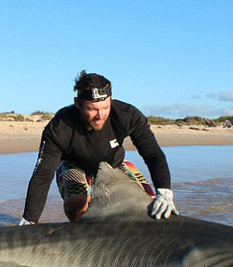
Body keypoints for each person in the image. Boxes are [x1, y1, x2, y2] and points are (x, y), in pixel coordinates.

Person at [20, 70, 178, 224]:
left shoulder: (127, 115)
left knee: (149, 203)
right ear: (78, 104)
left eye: (105, 107)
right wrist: (29, 219)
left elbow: (153, 154)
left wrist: (164, 191)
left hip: (113, 165)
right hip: (74, 166)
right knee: (77, 204)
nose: (100, 115)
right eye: (93, 109)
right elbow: (42, 175)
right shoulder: (59, 127)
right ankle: (85, 241)